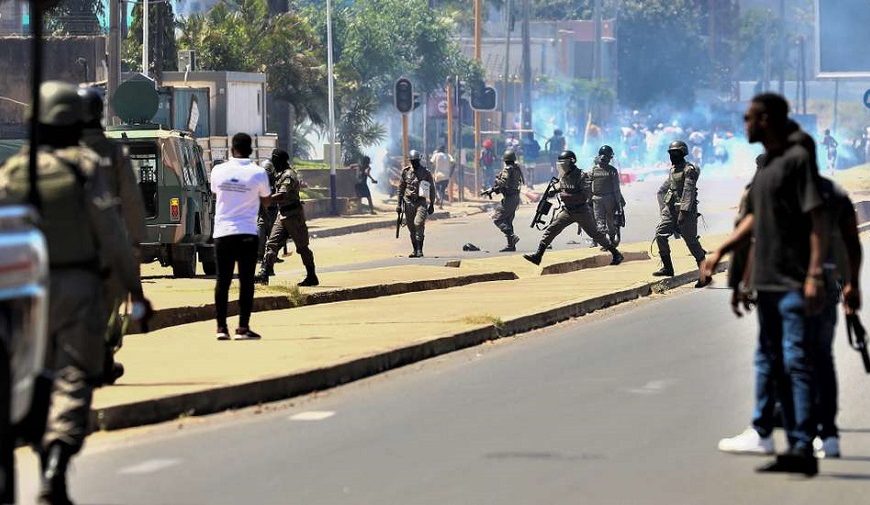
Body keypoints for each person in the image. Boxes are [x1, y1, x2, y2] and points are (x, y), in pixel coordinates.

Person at [0, 81, 150, 504]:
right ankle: (54, 465)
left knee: (33, 375)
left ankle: (35, 442)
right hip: (80, 287)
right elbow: (114, 232)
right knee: (72, 379)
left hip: (25, 291)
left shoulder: (13, 171)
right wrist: (134, 288)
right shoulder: (85, 167)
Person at [701, 94, 829, 476]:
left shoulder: (796, 161)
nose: (745, 125)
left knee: (795, 361)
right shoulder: (768, 166)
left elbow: (818, 218)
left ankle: (804, 443)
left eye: (749, 118)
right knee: (772, 361)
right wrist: (722, 253)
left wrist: (815, 274)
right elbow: (755, 222)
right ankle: (779, 438)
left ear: (767, 119)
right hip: (769, 280)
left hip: (793, 279)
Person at [78, 86, 149, 385]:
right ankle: (104, 357)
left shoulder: (57, 152)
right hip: (108, 248)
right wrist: (133, 246)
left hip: (65, 248)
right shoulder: (112, 153)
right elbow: (131, 205)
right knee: (111, 306)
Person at [210, 133, 271, 341]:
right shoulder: (258, 172)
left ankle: (221, 328)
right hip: (247, 232)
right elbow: (266, 200)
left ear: (231, 149)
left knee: (223, 281)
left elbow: (215, 192)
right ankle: (243, 327)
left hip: (223, 233)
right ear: (251, 149)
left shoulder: (218, 171)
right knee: (246, 282)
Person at [523, 150, 624, 266]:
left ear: (571, 162)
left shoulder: (581, 176)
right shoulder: (563, 176)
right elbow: (563, 187)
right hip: (568, 210)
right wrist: (554, 191)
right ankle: (538, 256)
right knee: (552, 229)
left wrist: (565, 195)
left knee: (596, 235)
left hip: (581, 211)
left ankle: (616, 254)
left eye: (563, 163)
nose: (561, 166)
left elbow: (584, 195)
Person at [256, 149, 319, 287]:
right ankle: (264, 274)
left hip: (293, 215)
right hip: (282, 214)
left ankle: (311, 275)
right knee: (271, 244)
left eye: (275, 160)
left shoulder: (289, 175)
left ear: (281, 160)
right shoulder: (279, 174)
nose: (274, 163)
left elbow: (282, 195)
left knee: (302, 247)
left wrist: (266, 199)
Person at [652, 140, 707, 277]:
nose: (672, 156)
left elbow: (688, 191)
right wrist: (664, 210)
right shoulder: (673, 170)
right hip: (671, 212)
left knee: (691, 242)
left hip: (686, 213)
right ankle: (668, 268)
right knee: (660, 234)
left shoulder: (689, 170)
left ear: (682, 153)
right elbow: (663, 190)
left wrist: (683, 212)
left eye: (675, 153)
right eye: (671, 153)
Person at [398, 150, 436, 258]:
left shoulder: (426, 173)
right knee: (411, 228)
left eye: (416, 161)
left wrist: (432, 203)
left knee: (418, 223)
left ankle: (420, 249)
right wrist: (398, 205)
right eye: (412, 161)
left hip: (421, 202)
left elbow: (432, 188)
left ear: (419, 160)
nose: (414, 163)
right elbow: (401, 188)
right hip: (408, 202)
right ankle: (415, 250)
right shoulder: (405, 172)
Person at [488, 149, 524, 252]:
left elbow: (503, 183)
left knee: (497, 218)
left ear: (505, 160)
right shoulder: (516, 169)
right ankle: (510, 245)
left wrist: (496, 180)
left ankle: (511, 236)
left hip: (509, 198)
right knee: (508, 221)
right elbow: (509, 184)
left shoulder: (508, 169)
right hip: (515, 197)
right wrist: (492, 190)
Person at [590, 145, 625, 248]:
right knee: (610, 220)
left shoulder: (593, 170)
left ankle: (602, 242)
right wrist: (619, 202)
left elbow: (588, 186)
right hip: (610, 199)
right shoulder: (612, 170)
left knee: (599, 220)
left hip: (596, 199)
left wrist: (588, 200)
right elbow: (616, 189)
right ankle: (611, 240)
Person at [257, 155, 280, 261]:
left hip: (273, 211)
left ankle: (273, 255)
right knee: (260, 233)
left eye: (268, 170)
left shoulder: (276, 181)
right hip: (262, 211)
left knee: (274, 235)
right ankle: (260, 255)